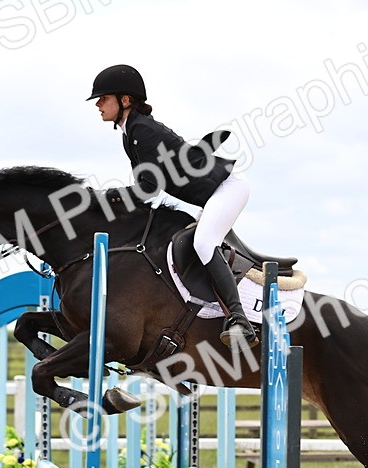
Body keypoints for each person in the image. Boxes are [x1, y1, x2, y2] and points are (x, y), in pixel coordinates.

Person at [87, 64, 258, 350]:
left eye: (103, 98)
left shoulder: (141, 130)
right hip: (207, 195)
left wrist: (107, 198)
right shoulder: (131, 132)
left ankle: (239, 319)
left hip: (227, 188)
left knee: (204, 243)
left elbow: (148, 189)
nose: (98, 105)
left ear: (125, 101)